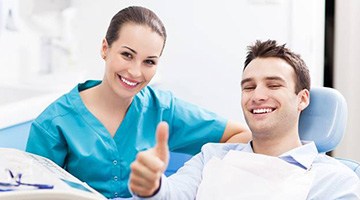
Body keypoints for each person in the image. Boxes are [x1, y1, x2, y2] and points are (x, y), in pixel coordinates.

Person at [25, 6, 251, 199]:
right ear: (105, 48)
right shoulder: (53, 124)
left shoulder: (162, 109)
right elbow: (31, 193)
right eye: (127, 55)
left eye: (149, 62)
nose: (135, 72)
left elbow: (240, 136)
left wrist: (186, 182)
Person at [129, 40, 360, 199]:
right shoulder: (211, 157)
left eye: (273, 85)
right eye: (248, 87)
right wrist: (152, 186)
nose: (257, 96)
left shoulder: (335, 180)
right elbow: (172, 194)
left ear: (302, 99)